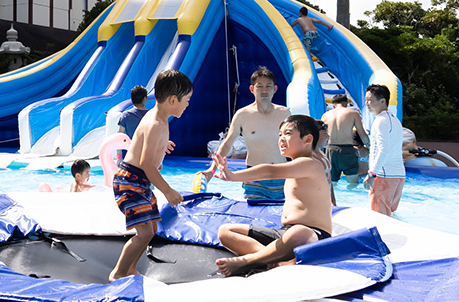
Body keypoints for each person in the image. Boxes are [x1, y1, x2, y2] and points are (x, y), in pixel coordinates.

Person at [209, 114, 334, 276]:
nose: (281, 139)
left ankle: (248, 260)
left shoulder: (310, 164)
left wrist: (233, 176)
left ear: (308, 139)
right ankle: (273, 261)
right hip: (285, 233)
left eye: (288, 133)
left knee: (299, 233)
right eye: (280, 134)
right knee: (225, 231)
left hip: (313, 236)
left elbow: (270, 171)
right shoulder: (295, 165)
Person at [109, 70, 192, 282]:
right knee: (144, 233)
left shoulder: (159, 118)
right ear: (173, 100)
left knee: (152, 229)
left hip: (139, 181)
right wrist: (168, 191)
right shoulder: (155, 123)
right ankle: (118, 272)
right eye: (186, 100)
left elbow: (146, 144)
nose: (187, 105)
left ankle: (130, 269)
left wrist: (161, 146)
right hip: (130, 181)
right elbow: (146, 164)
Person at [203, 66, 289, 203]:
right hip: (253, 177)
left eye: (268, 86)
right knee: (254, 213)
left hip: (281, 175)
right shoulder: (242, 115)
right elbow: (227, 143)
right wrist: (212, 170)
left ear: (275, 89)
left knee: (284, 214)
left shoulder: (284, 113)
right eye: (259, 86)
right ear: (252, 89)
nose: (264, 90)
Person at [363, 84, 405, 216]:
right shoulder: (394, 120)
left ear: (382, 101)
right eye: (366, 100)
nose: (367, 103)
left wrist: (372, 174)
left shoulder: (380, 121)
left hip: (383, 175)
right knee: (390, 214)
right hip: (398, 175)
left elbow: (383, 150)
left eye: (370, 100)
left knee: (379, 218)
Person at [321, 95, 369, 188]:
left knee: (331, 184)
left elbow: (321, 135)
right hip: (347, 150)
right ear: (346, 104)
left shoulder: (325, 115)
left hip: (330, 151)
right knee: (353, 184)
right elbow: (362, 134)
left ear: (333, 105)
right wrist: (368, 146)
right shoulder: (353, 113)